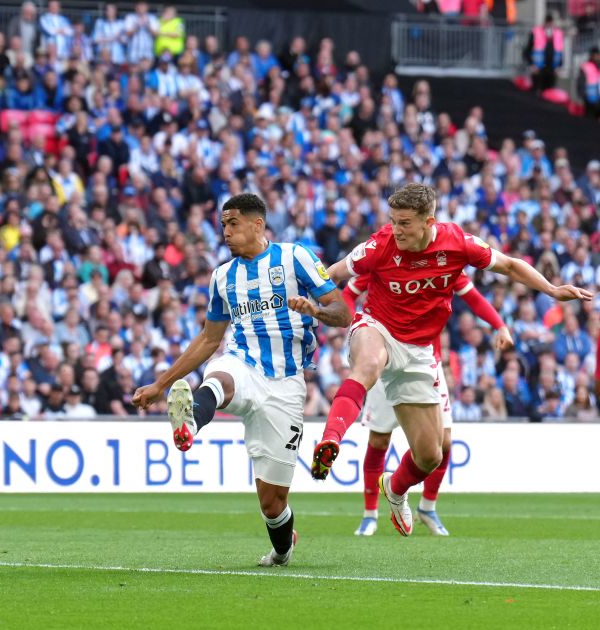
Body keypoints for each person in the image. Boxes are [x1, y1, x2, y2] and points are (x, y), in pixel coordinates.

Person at [311, 183, 592, 537]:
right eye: (393, 221)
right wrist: (304, 302)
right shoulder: (378, 246)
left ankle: (396, 489)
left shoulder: (457, 243)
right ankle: (331, 439)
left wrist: (551, 290)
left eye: (405, 223)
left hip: (420, 350)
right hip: (378, 326)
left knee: (430, 455)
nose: (396, 230)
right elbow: (332, 274)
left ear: (428, 221)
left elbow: (508, 265)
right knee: (367, 365)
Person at [132, 193, 351, 567]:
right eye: (223, 225)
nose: (226, 232)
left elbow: (343, 312)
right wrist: (161, 384)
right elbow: (209, 339)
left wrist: (315, 309)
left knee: (272, 502)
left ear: (257, 224)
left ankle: (283, 547)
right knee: (219, 375)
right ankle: (190, 423)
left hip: (286, 383)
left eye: (233, 224)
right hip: (243, 362)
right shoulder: (222, 276)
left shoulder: (294, 257)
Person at [343, 271, 514, 537]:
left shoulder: (444, 261)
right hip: (385, 362)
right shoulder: (383, 259)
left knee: (443, 443)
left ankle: (428, 507)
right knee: (379, 440)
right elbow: (348, 293)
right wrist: (359, 335)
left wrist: (499, 325)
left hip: (426, 362)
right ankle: (369, 514)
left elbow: (475, 298)